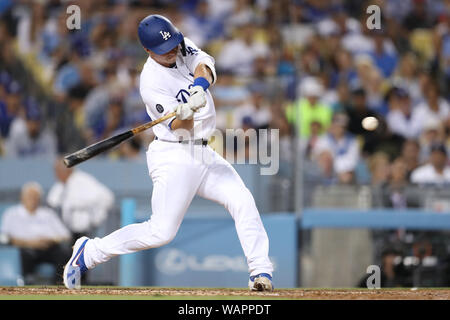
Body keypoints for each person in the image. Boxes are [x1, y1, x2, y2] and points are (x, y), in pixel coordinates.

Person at [62, 15, 274, 291]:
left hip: (203, 152)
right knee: (161, 231)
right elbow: (180, 127)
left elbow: (205, 66)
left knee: (242, 200)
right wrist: (186, 111)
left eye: (174, 45)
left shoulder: (179, 44)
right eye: (164, 51)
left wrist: (198, 89)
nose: (173, 51)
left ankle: (260, 273)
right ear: (148, 51)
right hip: (175, 155)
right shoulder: (151, 82)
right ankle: (90, 252)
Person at [0, 182, 71, 284]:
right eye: (29, 196)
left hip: (47, 248)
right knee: (26, 254)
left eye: (35, 197)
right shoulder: (11, 214)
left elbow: (66, 236)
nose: (32, 200)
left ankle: (59, 283)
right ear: (22, 197)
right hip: (24, 248)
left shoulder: (48, 214)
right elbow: (3, 237)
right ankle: (28, 283)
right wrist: (27, 243)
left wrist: (50, 240)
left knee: (63, 252)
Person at [47, 158, 115, 243]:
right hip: (65, 230)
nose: (56, 174)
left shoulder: (84, 180)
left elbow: (107, 197)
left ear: (67, 170)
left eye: (58, 171)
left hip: (85, 230)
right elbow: (52, 202)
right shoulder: (60, 185)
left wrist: (96, 219)